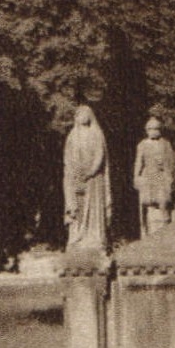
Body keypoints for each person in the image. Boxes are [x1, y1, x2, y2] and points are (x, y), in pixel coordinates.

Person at [63, 104, 110, 253]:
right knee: (76, 207)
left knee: (93, 208)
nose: (83, 117)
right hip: (75, 176)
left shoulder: (96, 133)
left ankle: (94, 238)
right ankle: (77, 237)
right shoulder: (72, 135)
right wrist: (73, 171)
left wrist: (91, 171)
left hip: (93, 179)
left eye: (86, 114)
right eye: (80, 114)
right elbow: (67, 156)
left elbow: (100, 155)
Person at [133, 117, 175, 238]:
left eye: (156, 129)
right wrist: (136, 177)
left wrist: (171, 177)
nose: (153, 132)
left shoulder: (166, 144)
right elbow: (138, 162)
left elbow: (172, 163)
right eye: (151, 129)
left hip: (162, 176)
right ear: (147, 131)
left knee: (164, 202)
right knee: (150, 204)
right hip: (149, 176)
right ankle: (151, 231)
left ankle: (166, 228)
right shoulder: (142, 145)